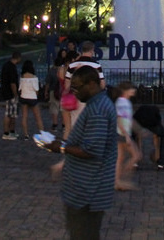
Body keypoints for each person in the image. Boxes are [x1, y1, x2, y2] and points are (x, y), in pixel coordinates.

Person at [48, 65, 117, 240]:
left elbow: (91, 150)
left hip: (87, 191)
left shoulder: (98, 110)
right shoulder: (96, 104)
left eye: (77, 88)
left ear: (92, 84)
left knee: (83, 234)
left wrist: (61, 147)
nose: (75, 93)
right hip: (84, 188)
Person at [65, 40, 105, 127]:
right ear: (92, 50)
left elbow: (67, 84)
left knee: (75, 122)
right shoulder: (96, 66)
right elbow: (102, 84)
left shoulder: (72, 65)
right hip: (91, 97)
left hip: (76, 96)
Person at [112, 81, 141, 190]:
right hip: (122, 133)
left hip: (121, 133)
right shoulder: (122, 103)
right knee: (136, 155)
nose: (134, 91)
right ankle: (123, 176)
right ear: (125, 91)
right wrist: (127, 135)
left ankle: (118, 180)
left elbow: (128, 119)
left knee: (120, 158)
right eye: (131, 89)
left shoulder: (124, 102)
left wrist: (137, 129)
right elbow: (120, 119)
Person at [133, 103, 164, 171]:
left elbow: (138, 136)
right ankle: (162, 163)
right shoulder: (155, 114)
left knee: (133, 136)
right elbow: (156, 134)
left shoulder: (139, 112)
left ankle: (134, 162)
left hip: (139, 119)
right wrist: (156, 149)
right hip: (151, 120)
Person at [19, 59, 44, 138]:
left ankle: (26, 134)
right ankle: (42, 134)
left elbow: (20, 88)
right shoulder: (34, 77)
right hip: (32, 97)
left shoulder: (22, 77)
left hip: (24, 97)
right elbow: (36, 90)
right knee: (38, 117)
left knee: (24, 116)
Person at [1, 51, 21, 139]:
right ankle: (6, 133)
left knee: (13, 113)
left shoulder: (6, 65)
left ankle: (12, 131)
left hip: (6, 91)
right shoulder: (12, 68)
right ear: (18, 58)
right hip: (10, 94)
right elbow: (12, 83)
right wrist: (15, 94)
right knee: (9, 113)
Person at [46, 54, 64, 132]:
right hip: (63, 91)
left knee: (54, 108)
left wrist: (46, 91)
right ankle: (64, 126)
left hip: (54, 91)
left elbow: (47, 82)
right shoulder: (64, 70)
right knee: (63, 109)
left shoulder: (52, 70)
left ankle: (55, 125)